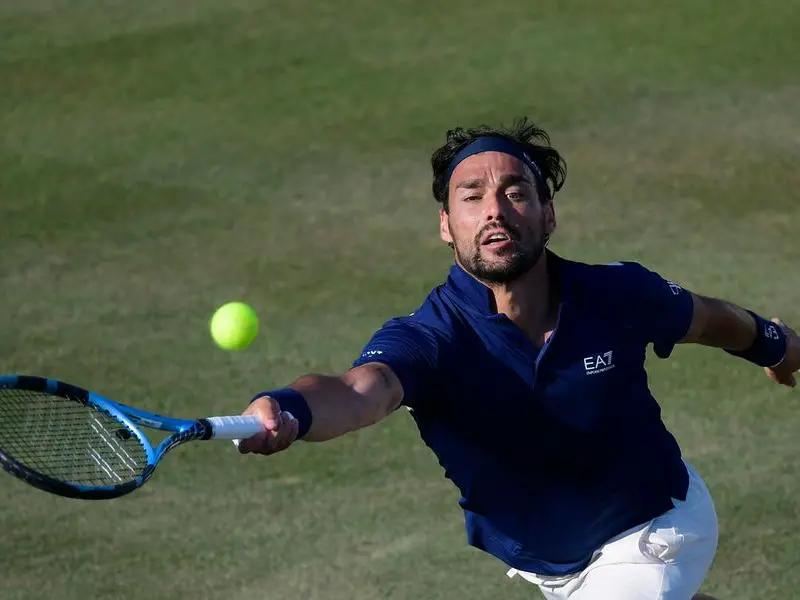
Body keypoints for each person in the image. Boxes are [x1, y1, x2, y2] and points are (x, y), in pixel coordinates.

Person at [236, 118, 799, 600]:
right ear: (445, 225)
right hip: (552, 563)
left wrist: (775, 344)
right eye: (472, 196)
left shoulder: (616, 294)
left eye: (515, 192)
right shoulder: (430, 338)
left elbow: (707, 319)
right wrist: (288, 408)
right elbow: (358, 391)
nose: (495, 211)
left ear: (548, 214)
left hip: (657, 525)